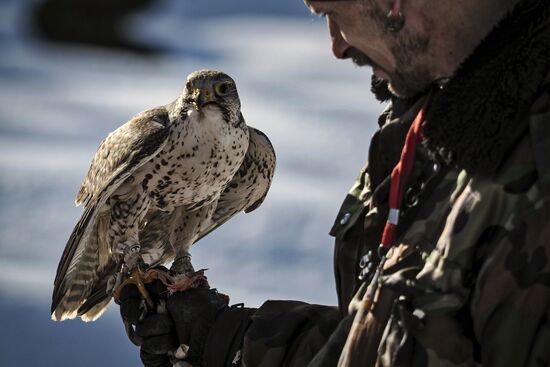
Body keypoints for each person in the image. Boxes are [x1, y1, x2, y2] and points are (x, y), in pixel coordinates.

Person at [119, 0, 550, 365]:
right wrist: (227, 339)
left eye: (332, 11)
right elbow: (394, 346)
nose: (337, 45)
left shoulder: (531, 159)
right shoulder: (432, 121)